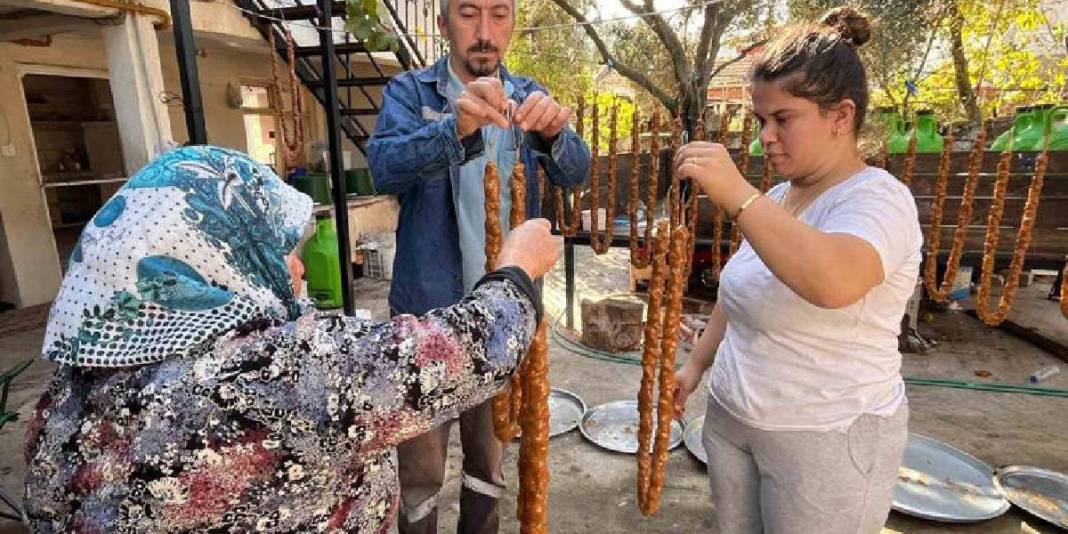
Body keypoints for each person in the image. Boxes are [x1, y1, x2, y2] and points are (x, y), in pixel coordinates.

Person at [23, 145, 560, 532]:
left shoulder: (66, 398)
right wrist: (516, 269)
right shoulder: (266, 372)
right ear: (219, 256)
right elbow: (459, 358)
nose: (299, 267)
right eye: (277, 247)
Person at [672, 8, 921, 533]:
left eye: (783, 119)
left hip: (825, 441)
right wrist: (694, 368)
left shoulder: (879, 200)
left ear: (841, 115)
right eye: (761, 120)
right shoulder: (781, 198)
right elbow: (741, 292)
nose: (766, 136)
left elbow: (833, 282)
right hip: (735, 423)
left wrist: (738, 195)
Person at [366, 0, 590, 530]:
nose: (485, 32)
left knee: (489, 463)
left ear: (513, 23)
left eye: (499, 14)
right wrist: (455, 129)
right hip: (428, 319)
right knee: (419, 472)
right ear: (444, 24)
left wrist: (558, 135)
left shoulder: (530, 96)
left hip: (503, 319)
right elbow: (383, 168)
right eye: (468, 14)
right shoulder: (410, 93)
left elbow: (575, 173)